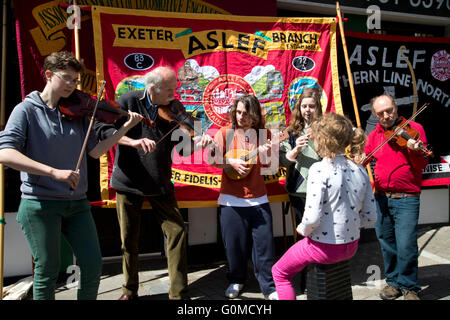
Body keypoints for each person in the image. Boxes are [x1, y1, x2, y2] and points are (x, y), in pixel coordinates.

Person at [0, 51, 143, 300]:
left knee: (92, 265)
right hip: (40, 204)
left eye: (75, 80)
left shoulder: (77, 113)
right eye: (66, 78)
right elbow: (5, 153)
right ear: (48, 75)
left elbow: (96, 151)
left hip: (77, 204)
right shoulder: (26, 110)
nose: (72, 85)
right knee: (47, 270)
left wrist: (125, 128)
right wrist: (53, 172)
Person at [94, 66, 212, 300]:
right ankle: (129, 290)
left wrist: (201, 143)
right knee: (129, 238)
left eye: (174, 88)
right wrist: (133, 142)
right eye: (169, 89)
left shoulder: (175, 109)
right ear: (152, 88)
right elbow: (103, 130)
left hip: (159, 180)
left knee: (177, 232)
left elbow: (183, 148)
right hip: (128, 180)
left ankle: (179, 294)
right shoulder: (128, 101)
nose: (174, 93)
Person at [272, 113, 377, 300]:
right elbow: (370, 216)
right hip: (351, 245)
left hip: (322, 248)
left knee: (279, 273)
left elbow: (311, 218)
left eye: (315, 139)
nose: (314, 144)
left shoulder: (319, 169)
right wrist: (347, 228)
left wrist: (302, 229)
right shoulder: (360, 169)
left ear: (323, 140)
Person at [207, 94, 278, 300]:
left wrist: (266, 153)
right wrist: (231, 163)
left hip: (258, 199)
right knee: (234, 246)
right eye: (238, 112)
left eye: (245, 113)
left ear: (254, 115)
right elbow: (212, 160)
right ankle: (236, 280)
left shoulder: (265, 134)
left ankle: (269, 286)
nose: (240, 117)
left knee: (264, 247)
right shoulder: (225, 132)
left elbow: (270, 167)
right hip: (231, 199)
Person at [364, 94, 429, 300]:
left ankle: (410, 287)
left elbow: (421, 165)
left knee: (407, 245)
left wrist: (414, 151)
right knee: (387, 243)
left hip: (407, 198)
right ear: (375, 115)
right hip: (381, 197)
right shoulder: (374, 136)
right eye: (381, 113)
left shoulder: (414, 130)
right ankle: (393, 283)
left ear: (396, 108)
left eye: (389, 110)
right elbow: (365, 156)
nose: (386, 115)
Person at [280, 89, 322, 225]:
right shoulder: (290, 132)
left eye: (312, 106)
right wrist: (295, 150)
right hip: (299, 190)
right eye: (304, 107)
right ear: (299, 108)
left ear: (318, 108)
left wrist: (318, 139)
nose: (308, 110)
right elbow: (282, 161)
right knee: (303, 233)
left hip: (323, 189)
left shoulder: (327, 129)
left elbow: (334, 156)